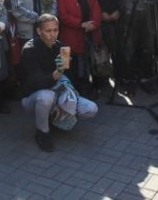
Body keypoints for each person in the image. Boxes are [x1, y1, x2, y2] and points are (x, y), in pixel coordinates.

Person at [19, 14, 98, 152]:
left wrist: (64, 101)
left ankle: (56, 117)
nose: (52, 34)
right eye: (48, 31)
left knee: (91, 109)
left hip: (58, 91)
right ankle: (42, 133)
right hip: (32, 97)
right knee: (46, 97)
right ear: (39, 31)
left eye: (55, 30)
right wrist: (57, 73)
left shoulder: (61, 47)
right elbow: (35, 83)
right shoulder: (29, 49)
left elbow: (69, 80)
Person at [57, 0, 102, 96]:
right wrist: (80, 24)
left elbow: (96, 10)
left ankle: (86, 88)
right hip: (70, 35)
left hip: (88, 33)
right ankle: (69, 90)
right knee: (70, 64)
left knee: (86, 63)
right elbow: (63, 15)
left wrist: (93, 23)